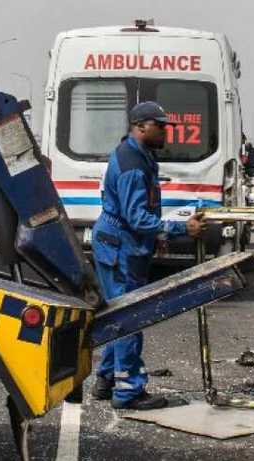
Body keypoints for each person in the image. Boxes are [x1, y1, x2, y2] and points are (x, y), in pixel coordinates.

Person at [91, 101, 206, 410]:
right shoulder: (131, 165)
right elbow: (136, 217)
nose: (166, 131)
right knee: (130, 317)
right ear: (141, 126)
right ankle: (128, 392)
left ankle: (106, 379)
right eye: (160, 125)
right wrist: (180, 228)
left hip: (123, 244)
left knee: (118, 315)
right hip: (120, 247)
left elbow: (143, 215)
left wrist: (156, 236)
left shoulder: (140, 156)